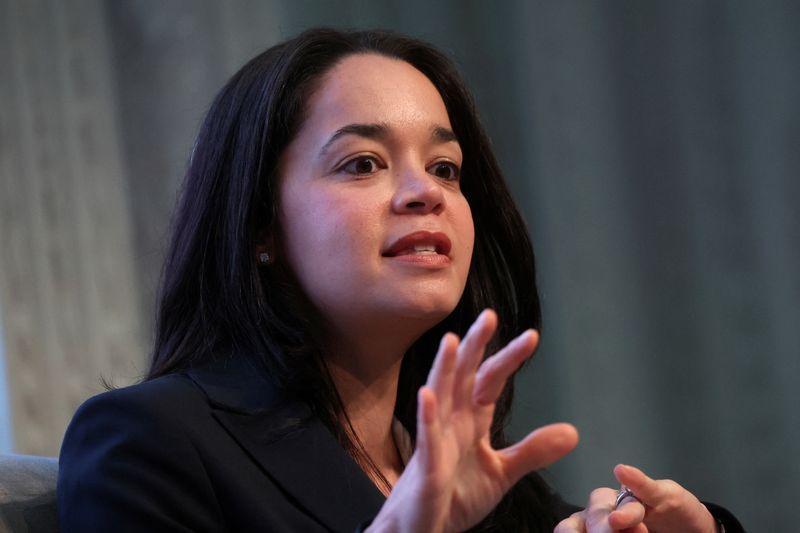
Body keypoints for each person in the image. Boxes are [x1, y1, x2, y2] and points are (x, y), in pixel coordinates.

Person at [57, 28, 744, 532]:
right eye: (361, 163)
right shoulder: (150, 442)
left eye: (445, 167)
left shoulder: (476, 475)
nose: (426, 192)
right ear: (259, 226)